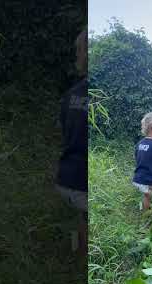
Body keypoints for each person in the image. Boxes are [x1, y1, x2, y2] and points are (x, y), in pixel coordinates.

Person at [55, 28, 88, 257]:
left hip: (65, 177)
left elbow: (64, 132)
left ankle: (77, 253)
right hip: (83, 184)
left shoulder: (71, 93)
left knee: (84, 215)